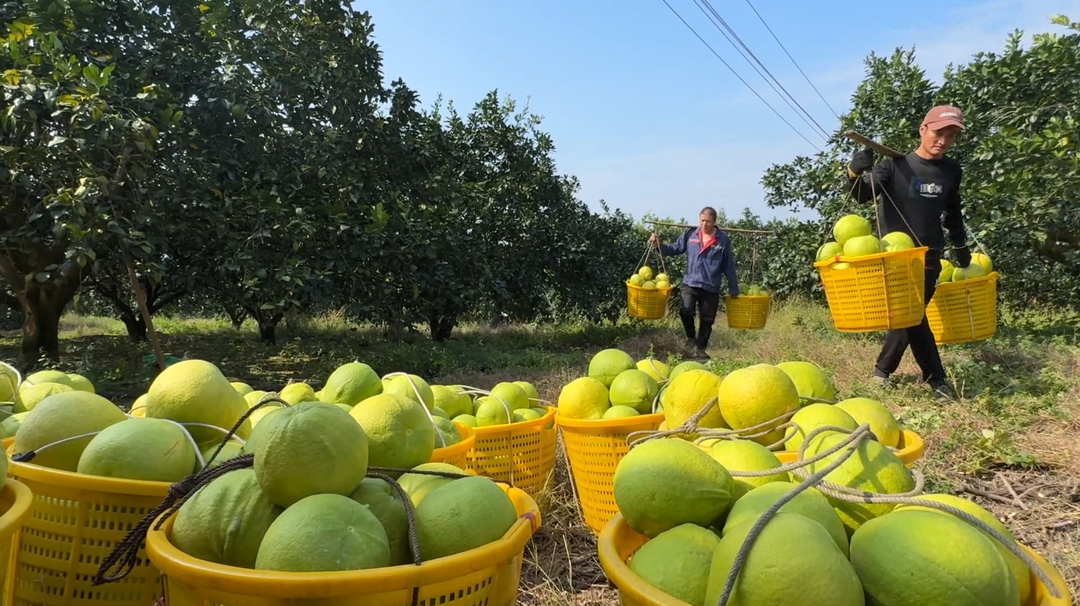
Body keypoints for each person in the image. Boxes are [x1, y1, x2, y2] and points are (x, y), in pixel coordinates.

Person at [845, 105, 972, 400]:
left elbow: (953, 212)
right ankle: (926, 377)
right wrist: (854, 171)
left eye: (951, 136)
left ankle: (895, 374)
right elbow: (863, 195)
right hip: (892, 258)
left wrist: (960, 246)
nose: (943, 140)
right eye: (939, 133)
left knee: (910, 314)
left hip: (928, 258)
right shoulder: (894, 166)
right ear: (923, 129)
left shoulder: (951, 171)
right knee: (910, 315)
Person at [649, 207, 739, 358]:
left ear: (715, 222)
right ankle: (690, 337)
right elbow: (675, 248)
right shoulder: (691, 234)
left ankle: (700, 349)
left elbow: (728, 264)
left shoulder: (722, 239)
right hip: (690, 282)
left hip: (710, 286)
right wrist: (659, 245)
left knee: (707, 319)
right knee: (685, 309)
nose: (704, 224)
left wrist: (733, 287)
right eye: (702, 220)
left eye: (708, 221)